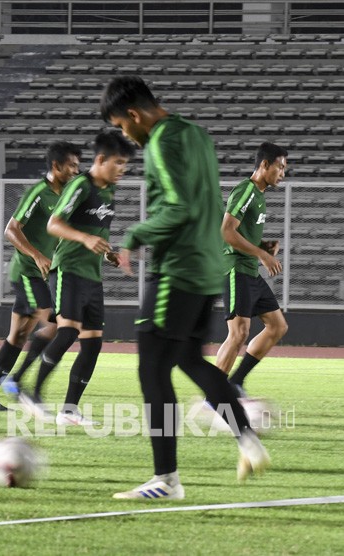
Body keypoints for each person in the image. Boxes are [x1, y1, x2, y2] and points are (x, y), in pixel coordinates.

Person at [100, 76, 269, 500]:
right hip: (207, 268)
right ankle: (248, 440)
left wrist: (134, 236)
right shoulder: (196, 133)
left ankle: (166, 479)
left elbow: (179, 207)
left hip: (175, 271)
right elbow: (208, 203)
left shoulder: (159, 142)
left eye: (122, 126)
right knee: (190, 360)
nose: (126, 136)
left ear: (134, 115)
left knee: (152, 369)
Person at [19, 131, 135, 426]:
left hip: (92, 276)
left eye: (125, 164)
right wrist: (84, 238)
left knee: (93, 343)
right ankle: (32, 393)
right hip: (68, 270)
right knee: (67, 332)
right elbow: (53, 224)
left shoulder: (108, 193)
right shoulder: (81, 186)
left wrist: (106, 253)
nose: (122, 169)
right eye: (118, 163)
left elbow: (97, 234)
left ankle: (69, 409)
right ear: (100, 160)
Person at [0, 142, 81, 412]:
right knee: (54, 322)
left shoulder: (67, 195)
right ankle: (20, 382)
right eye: (72, 166)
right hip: (27, 272)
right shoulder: (38, 192)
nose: (76, 171)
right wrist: (36, 255)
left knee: (18, 337)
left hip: (42, 274)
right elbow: (11, 230)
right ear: (56, 167)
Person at [215, 143, 289, 396]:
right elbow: (226, 231)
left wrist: (262, 245)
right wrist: (262, 254)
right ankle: (213, 395)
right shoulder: (246, 190)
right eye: (280, 167)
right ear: (264, 165)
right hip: (236, 268)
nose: (282, 173)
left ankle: (235, 382)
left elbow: (240, 232)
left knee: (278, 326)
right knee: (238, 333)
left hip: (249, 271)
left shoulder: (259, 195)